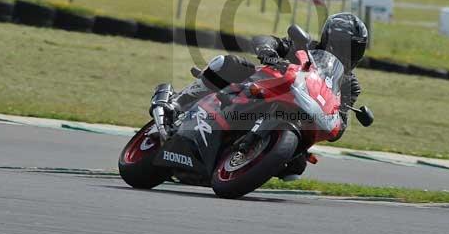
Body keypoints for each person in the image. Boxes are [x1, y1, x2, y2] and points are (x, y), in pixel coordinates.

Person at [154, 12, 368, 143]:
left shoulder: (349, 84)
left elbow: (339, 123)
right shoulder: (306, 46)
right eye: (343, 44)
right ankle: (176, 104)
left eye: (354, 47)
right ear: (329, 38)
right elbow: (269, 40)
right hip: (263, 88)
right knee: (227, 64)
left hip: (300, 118)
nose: (347, 51)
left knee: (296, 166)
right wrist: (268, 50)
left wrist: (338, 119)